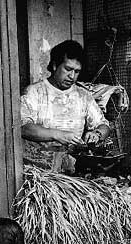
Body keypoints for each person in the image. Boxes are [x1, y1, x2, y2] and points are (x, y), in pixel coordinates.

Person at [20, 39, 110, 172]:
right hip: (38, 169)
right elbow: (23, 128)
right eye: (68, 69)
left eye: (77, 71)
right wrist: (56, 134)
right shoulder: (34, 92)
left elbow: (103, 125)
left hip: (73, 168)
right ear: (55, 65)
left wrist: (96, 134)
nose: (72, 76)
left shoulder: (83, 95)